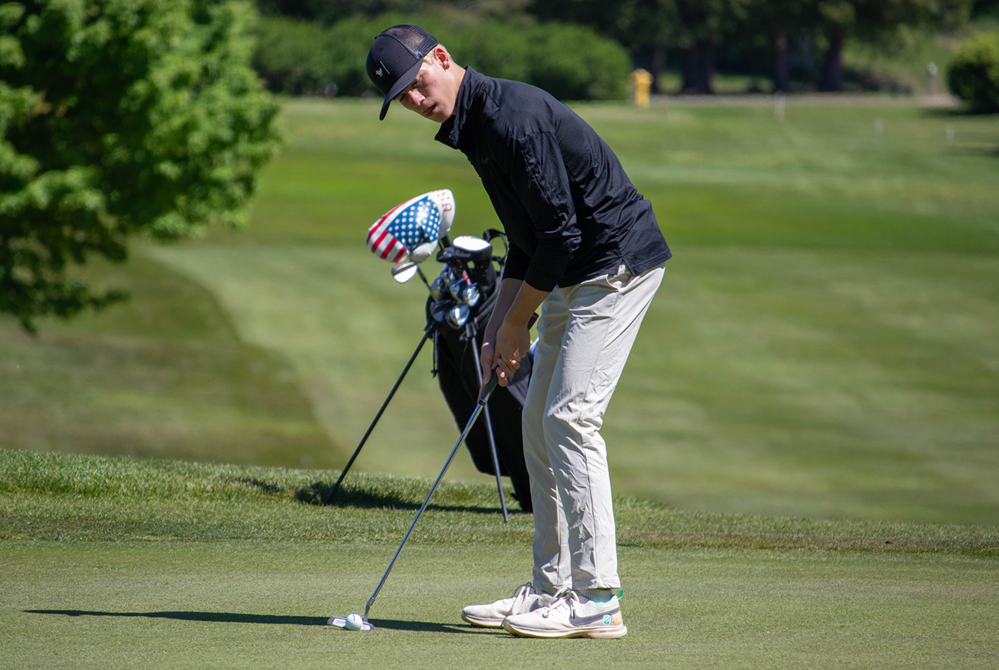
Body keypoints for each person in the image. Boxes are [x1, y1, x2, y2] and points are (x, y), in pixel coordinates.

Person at [366, 24, 671, 639]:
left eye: (417, 83)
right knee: (535, 417)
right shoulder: (473, 127)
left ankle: (598, 597)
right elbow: (527, 239)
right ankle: (551, 586)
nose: (415, 101)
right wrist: (495, 331)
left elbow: (561, 234)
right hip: (573, 269)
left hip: (615, 264)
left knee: (569, 417)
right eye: (402, 97)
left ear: (442, 58)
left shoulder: (510, 117)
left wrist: (514, 324)